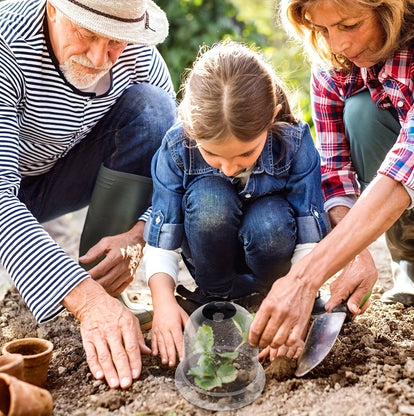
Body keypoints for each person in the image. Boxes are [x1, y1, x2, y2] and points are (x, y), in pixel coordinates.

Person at [0, 0, 177, 389]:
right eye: (86, 34)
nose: (100, 58)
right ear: (52, 10)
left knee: (154, 111)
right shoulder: (7, 46)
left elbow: (178, 167)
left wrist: (138, 237)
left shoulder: (139, 55)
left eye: (116, 42)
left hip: (58, 170)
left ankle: (100, 278)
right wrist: (84, 301)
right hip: (7, 178)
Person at [142, 41, 331, 367]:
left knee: (269, 222)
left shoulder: (294, 143)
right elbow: (163, 238)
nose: (230, 167)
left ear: (271, 118)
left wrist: (297, 290)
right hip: (213, 265)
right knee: (209, 199)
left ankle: (270, 296)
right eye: (212, 154)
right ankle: (216, 299)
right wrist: (162, 304)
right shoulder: (176, 148)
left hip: (274, 260)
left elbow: (308, 230)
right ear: (190, 126)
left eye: (245, 153)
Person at [248, 0, 414, 356]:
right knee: (362, 113)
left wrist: (304, 278)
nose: (337, 45)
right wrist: (353, 253)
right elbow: (335, 172)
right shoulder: (334, 62)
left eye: (350, 25)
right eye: (324, 30)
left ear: (391, 10)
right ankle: (412, 261)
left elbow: (407, 162)